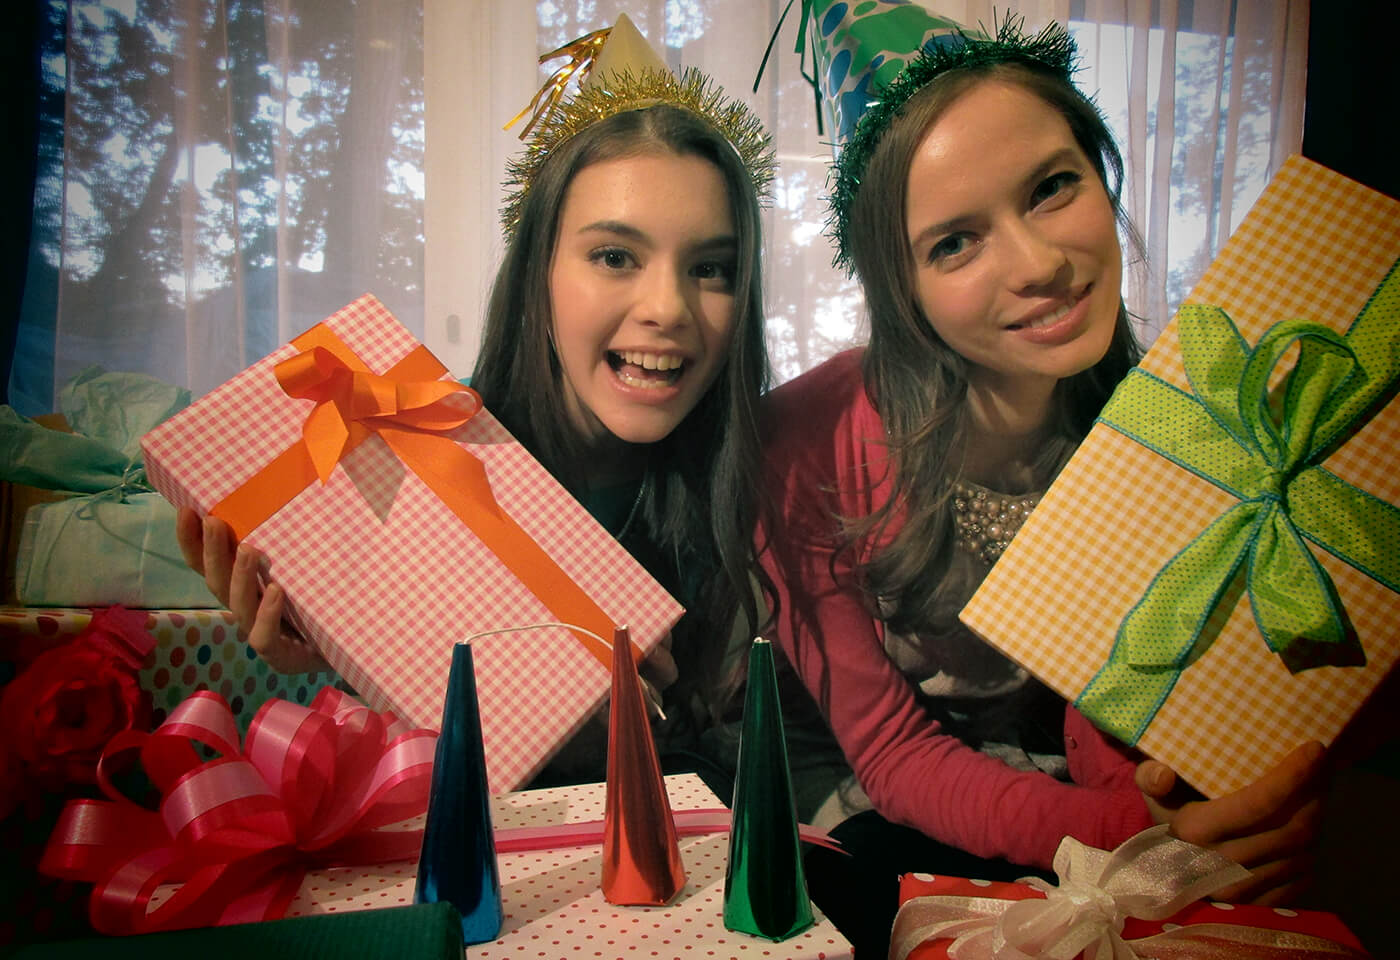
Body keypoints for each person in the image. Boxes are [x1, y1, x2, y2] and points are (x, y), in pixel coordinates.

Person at [754, 9, 1323, 954]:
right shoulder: (810, 443)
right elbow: (891, 751)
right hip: (863, 786)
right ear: (901, 288)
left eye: (1053, 188)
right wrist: (1130, 839)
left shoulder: (1171, 424)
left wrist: (1213, 814)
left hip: (1056, 779)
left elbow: (1118, 700)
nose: (1040, 266)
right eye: (954, 243)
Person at [177, 13, 775, 790]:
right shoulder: (421, 455)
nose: (667, 307)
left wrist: (640, 743)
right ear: (538, 272)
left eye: (713, 268)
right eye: (615, 256)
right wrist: (339, 646)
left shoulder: (762, 486)